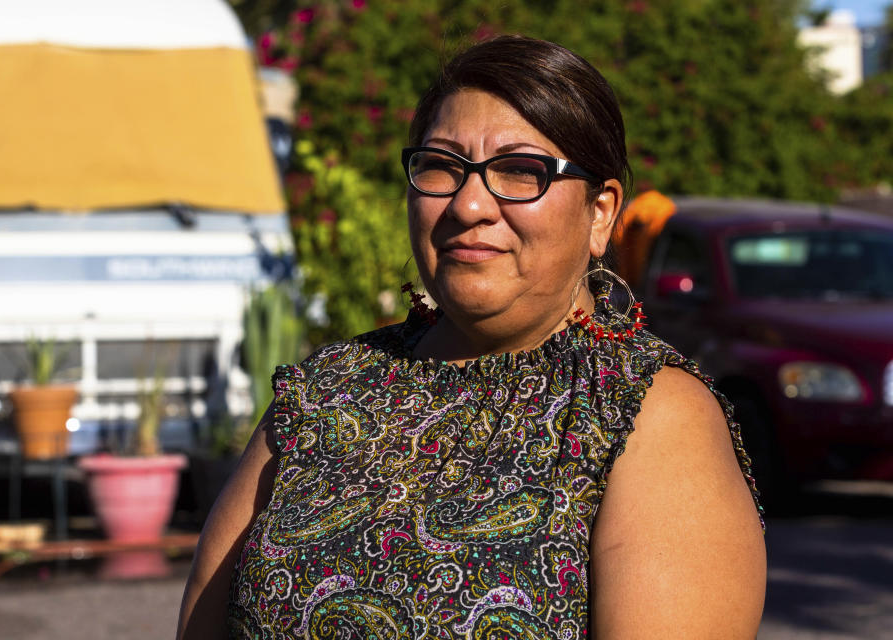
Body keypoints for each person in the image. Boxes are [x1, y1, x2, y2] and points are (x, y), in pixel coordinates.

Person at [177, 35, 766, 639]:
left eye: (519, 171)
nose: (469, 204)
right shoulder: (328, 389)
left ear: (601, 212)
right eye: (441, 166)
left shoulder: (647, 415)